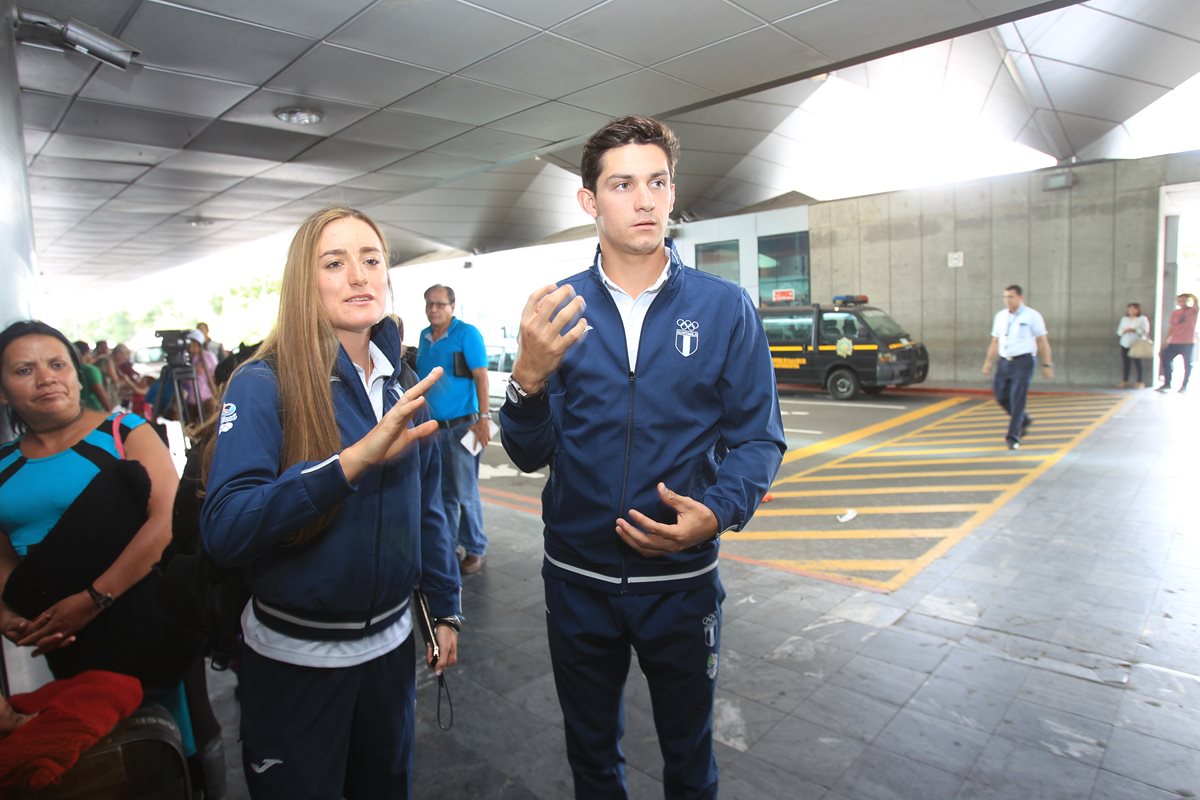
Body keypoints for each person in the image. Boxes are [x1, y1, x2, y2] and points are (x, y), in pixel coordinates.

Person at [499, 116, 786, 799]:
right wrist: (527, 379)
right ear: (590, 202)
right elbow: (526, 450)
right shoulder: (557, 310)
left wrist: (715, 515)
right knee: (592, 760)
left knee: (690, 759)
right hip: (576, 583)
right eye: (623, 184)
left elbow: (760, 437)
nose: (646, 200)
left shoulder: (726, 310)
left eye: (657, 182)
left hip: (682, 587)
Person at [200, 206, 462, 799]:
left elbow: (430, 510)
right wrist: (349, 464)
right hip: (295, 664)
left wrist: (444, 609)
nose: (358, 275)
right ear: (304, 281)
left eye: (371, 259)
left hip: (390, 656)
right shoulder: (263, 382)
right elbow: (226, 527)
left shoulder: (403, 379)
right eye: (335, 262)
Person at [0, 321, 213, 779]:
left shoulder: (124, 432)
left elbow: (165, 523)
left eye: (58, 364)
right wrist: (9, 617)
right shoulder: (3, 465)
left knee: (178, 745)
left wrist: (93, 599)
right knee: (102, 758)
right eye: (24, 369)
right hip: (66, 641)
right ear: (2, 389)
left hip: (146, 621)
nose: (46, 377)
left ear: (80, 376)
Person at [416, 284, 491, 575]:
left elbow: (482, 378)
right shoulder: (424, 337)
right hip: (434, 429)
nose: (433, 309)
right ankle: (449, 545)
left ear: (452, 306)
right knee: (442, 493)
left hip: (462, 427)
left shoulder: (466, 334)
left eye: (440, 304)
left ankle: (475, 548)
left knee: (464, 493)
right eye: (429, 304)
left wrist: (484, 417)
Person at [982, 285, 1054, 450]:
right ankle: (1024, 419)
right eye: (1005, 297)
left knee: (1017, 397)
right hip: (1004, 361)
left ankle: (1013, 437)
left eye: (1011, 297)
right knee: (1000, 394)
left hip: (1024, 362)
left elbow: (1042, 341)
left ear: (1020, 298)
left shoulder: (1032, 316)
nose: (1007, 300)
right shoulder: (1000, 316)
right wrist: (988, 361)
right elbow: (995, 341)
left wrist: (1047, 364)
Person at [1156, 292, 1198, 393]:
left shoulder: (1192, 311)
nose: (1181, 303)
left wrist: (1191, 296)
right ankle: (1167, 383)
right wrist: (1166, 339)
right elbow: (1172, 327)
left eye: (1184, 300)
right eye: (1179, 301)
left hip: (1187, 342)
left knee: (1187, 364)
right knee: (1164, 356)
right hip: (1174, 341)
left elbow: (1196, 303)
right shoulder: (1175, 313)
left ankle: (1184, 386)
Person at [181, 329, 219, 423]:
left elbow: (215, 376)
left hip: (207, 399)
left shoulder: (208, 357)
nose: (191, 347)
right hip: (190, 402)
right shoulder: (185, 359)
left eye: (194, 344)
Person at [1116, 303, 1151, 388]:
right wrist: (1123, 331)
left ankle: (1140, 381)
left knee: (1138, 362)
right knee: (1126, 363)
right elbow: (1119, 331)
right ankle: (1125, 380)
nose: (1132, 310)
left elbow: (1145, 331)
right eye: (1130, 309)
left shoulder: (1142, 319)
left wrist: (1134, 330)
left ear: (1138, 310)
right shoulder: (1124, 319)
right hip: (1125, 342)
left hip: (1136, 343)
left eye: (1134, 309)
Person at [72, 340, 110, 411]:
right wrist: (109, 410)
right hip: (94, 409)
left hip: (76, 409)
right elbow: (100, 394)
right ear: (87, 353)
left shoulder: (70, 369)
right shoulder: (90, 370)